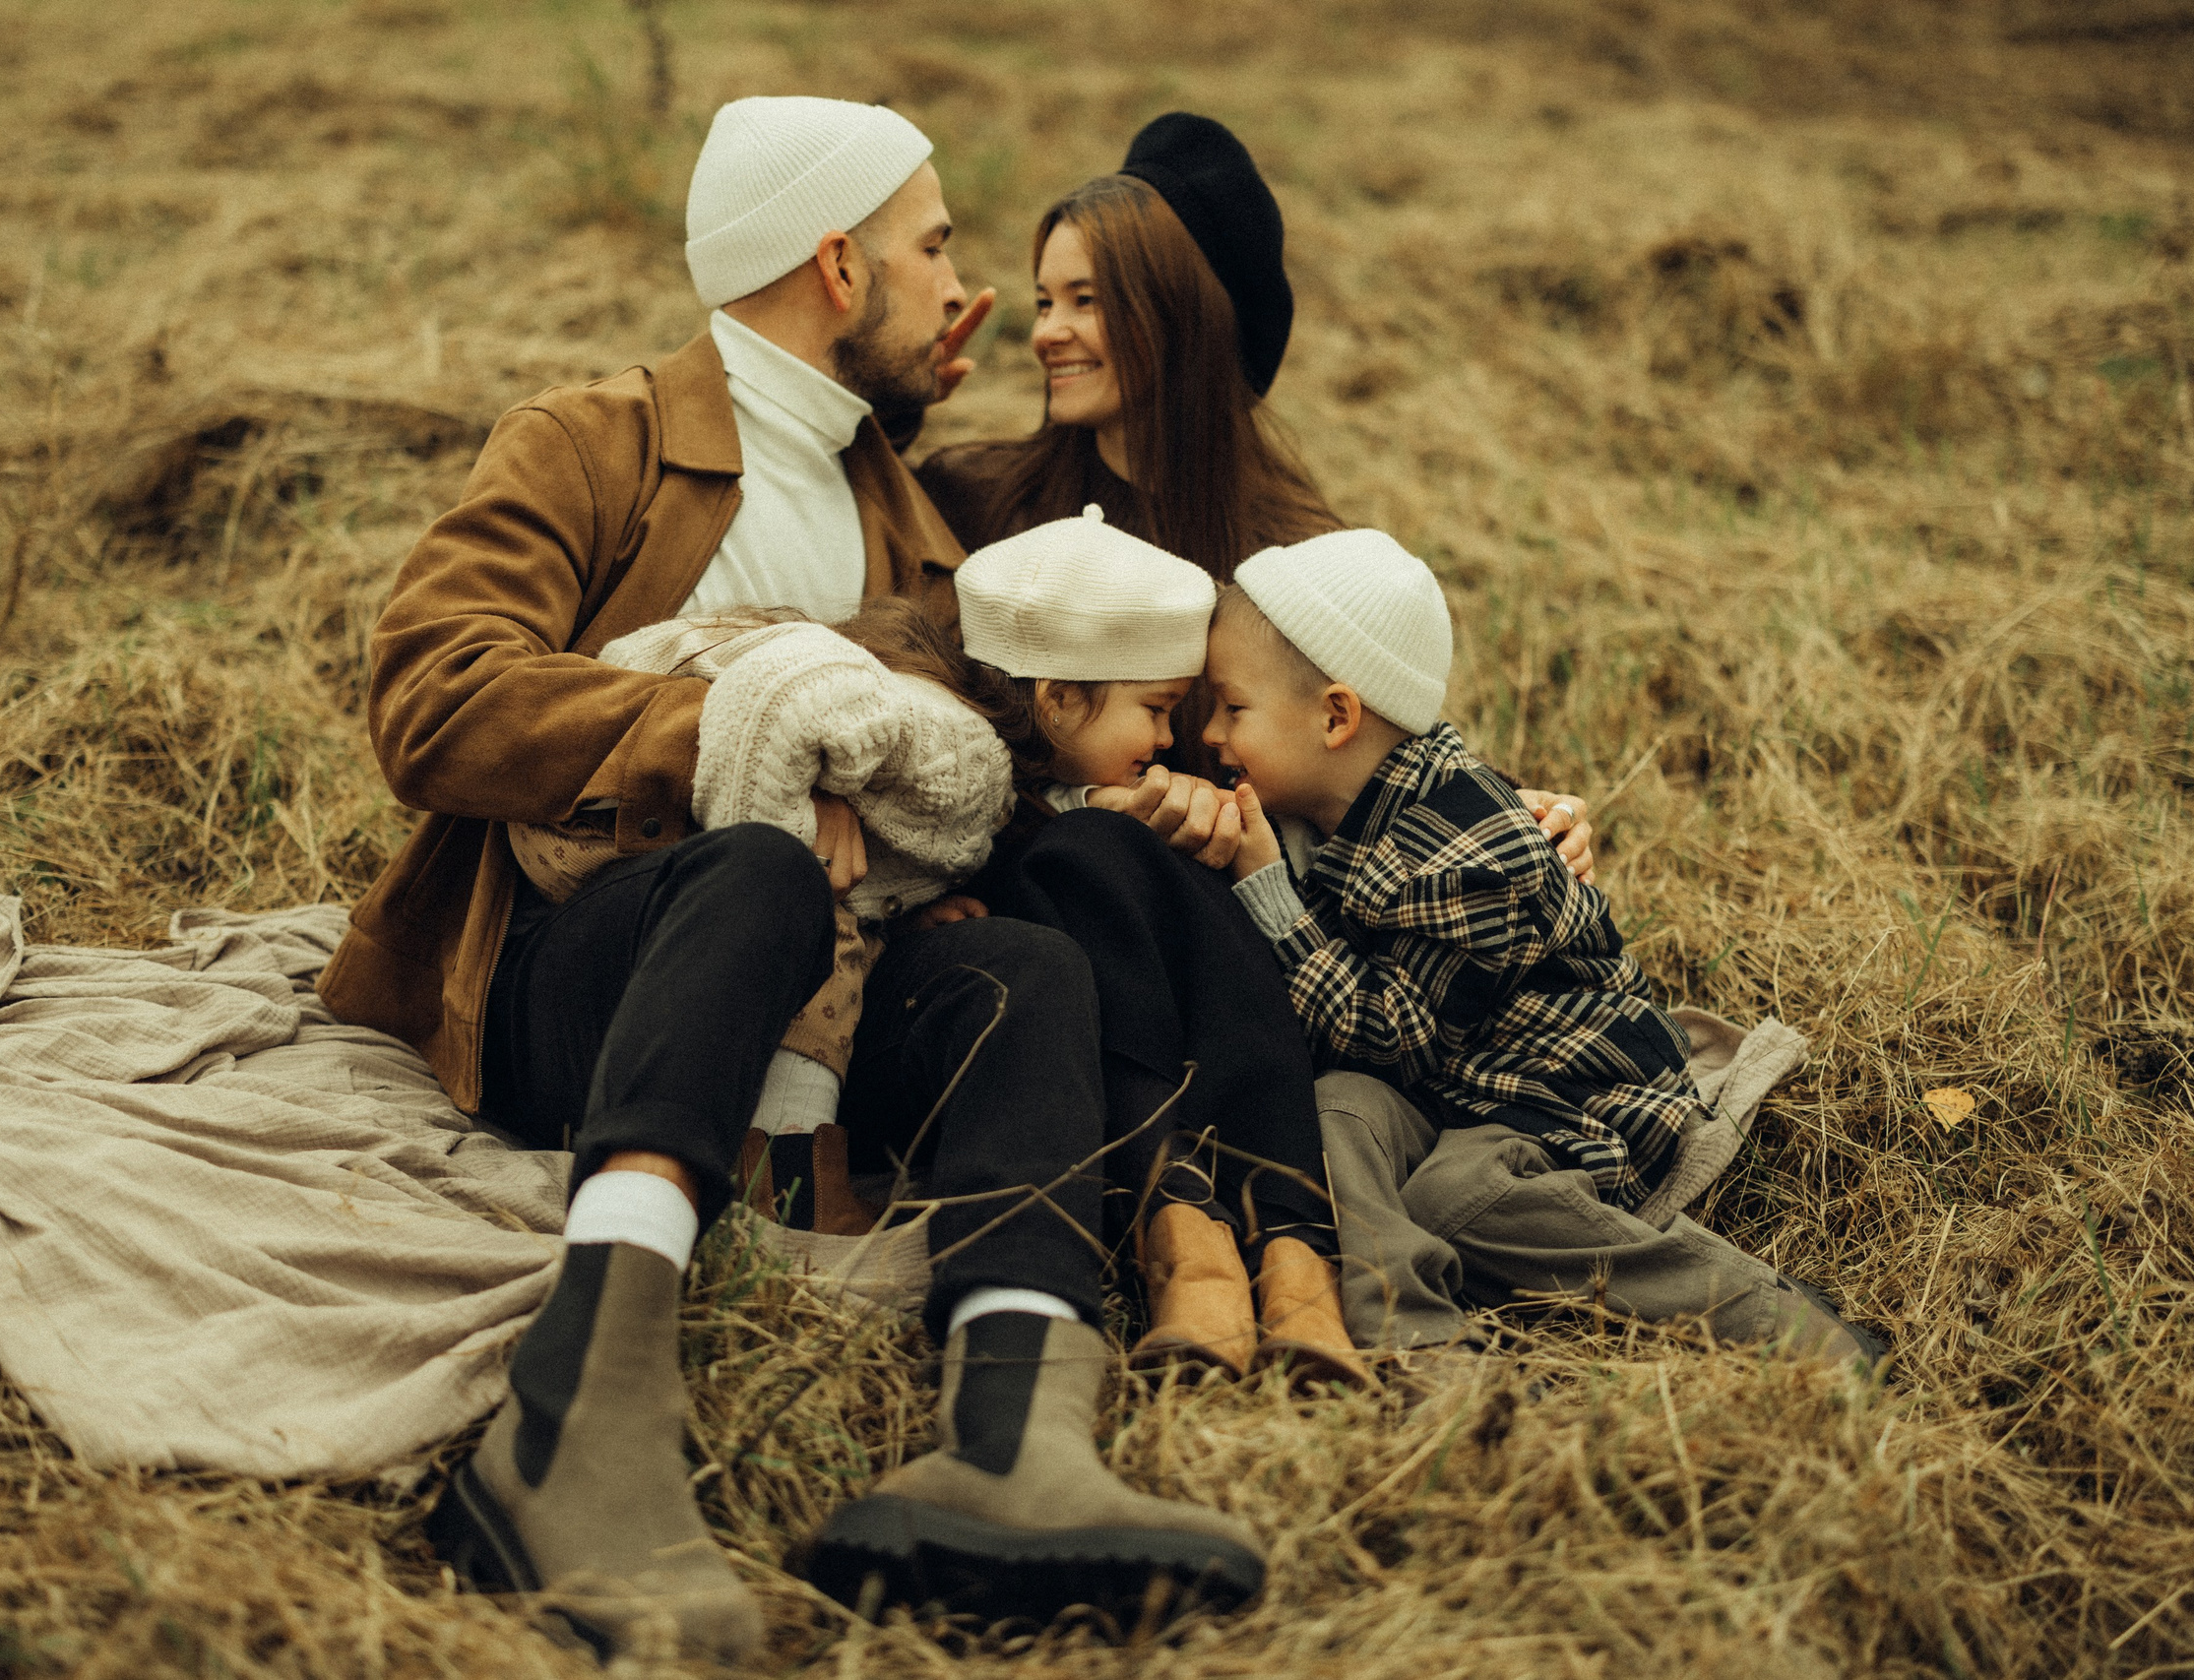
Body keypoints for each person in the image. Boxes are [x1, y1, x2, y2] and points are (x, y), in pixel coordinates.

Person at [320, 95, 1260, 1659]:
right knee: (757, 864)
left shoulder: (911, 518)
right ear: (838, 265)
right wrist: (736, 732)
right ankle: (570, 1425)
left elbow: (1000, 710)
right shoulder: (593, 440)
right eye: (934, 247)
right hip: (583, 973)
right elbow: (430, 696)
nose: (963, 288)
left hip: (837, 983)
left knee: (1026, 973)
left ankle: (1011, 1440)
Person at [1201, 529, 1878, 1365]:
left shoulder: (1465, 855)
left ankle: (1776, 1321)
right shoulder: (1341, 809)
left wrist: (1269, 891)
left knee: (1458, 1195)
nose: (1211, 733)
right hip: (1458, 1085)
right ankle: (1412, 1335)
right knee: (1338, 1110)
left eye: (1232, 708)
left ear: (1336, 716)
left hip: (1563, 1093)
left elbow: (1387, 1037)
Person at [907, 110, 1601, 873]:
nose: (1045, 333)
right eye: (1045, 302)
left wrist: (1518, 807)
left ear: (1177, 315)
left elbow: (1371, 743)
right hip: (1014, 874)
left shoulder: (1288, 548)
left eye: (1086, 300)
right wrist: (892, 409)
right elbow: (907, 695)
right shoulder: (978, 497)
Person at [927, 508, 1360, 1385]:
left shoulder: (1137, 796)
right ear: (1057, 699)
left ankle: (1263, 1252)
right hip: (1007, 1027)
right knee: (1074, 857)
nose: (1170, 739)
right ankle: (1218, 1244)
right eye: (1157, 709)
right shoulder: (936, 777)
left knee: (1108, 852)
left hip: (1184, 1017)